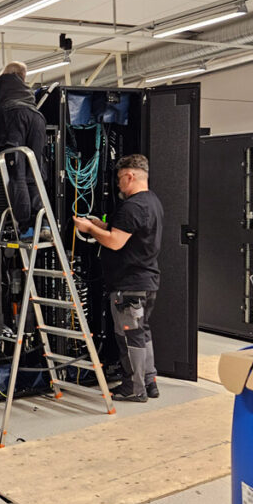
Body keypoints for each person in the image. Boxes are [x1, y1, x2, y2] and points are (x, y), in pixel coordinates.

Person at [71, 154, 163, 403]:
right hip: (146, 280)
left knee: (129, 335)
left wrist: (89, 229)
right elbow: (125, 233)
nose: (118, 185)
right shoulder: (151, 201)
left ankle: (134, 388)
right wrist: (99, 224)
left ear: (130, 176)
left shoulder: (132, 206)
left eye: (120, 179)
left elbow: (115, 241)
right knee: (142, 332)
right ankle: (149, 381)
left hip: (129, 284)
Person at [0, 61, 51, 242]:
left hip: (14, 118)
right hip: (37, 118)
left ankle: (26, 227)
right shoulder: (27, 90)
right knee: (35, 171)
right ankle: (43, 222)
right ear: (23, 76)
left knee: (18, 173)